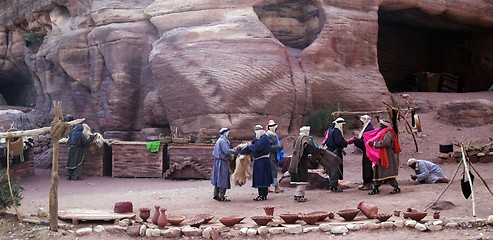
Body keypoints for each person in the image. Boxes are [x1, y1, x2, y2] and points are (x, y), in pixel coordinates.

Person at [365, 119, 402, 195]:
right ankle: (376, 188)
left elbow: (386, 143)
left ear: (384, 125)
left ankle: (396, 187)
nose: (379, 126)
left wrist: (375, 144)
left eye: (381, 124)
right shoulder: (382, 132)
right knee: (378, 171)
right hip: (381, 154)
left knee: (388, 172)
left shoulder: (388, 132)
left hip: (387, 155)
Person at [240, 125, 273, 201]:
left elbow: (255, 148)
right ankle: (261, 194)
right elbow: (251, 147)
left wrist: (249, 145)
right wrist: (242, 153)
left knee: (262, 178)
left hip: (263, 161)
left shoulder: (264, 138)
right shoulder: (259, 138)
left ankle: (262, 195)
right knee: (260, 177)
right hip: (259, 161)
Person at [347, 115, 375, 190]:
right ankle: (365, 182)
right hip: (367, 151)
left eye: (362, 121)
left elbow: (366, 142)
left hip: (368, 151)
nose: (361, 122)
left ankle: (368, 183)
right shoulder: (367, 127)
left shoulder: (369, 129)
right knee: (365, 166)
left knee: (367, 167)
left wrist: (355, 140)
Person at [289, 126, 316, 202]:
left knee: (299, 178)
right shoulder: (304, 139)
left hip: (296, 160)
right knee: (302, 178)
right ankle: (299, 195)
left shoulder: (297, 139)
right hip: (302, 160)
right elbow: (310, 149)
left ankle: (298, 194)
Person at [211, 128, 239, 201]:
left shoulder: (219, 140)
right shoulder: (223, 141)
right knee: (223, 178)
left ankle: (216, 195)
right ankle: (221, 196)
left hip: (217, 161)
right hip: (222, 162)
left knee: (217, 179)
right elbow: (227, 151)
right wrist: (236, 149)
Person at [323, 117, 347, 192]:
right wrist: (345, 143)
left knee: (331, 168)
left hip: (329, 151)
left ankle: (332, 184)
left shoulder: (330, 130)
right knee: (335, 169)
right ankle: (334, 186)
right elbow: (338, 142)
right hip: (335, 152)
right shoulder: (336, 131)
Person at [266, 120, 284, 193]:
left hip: (274, 156)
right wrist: (278, 147)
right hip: (270, 156)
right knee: (273, 171)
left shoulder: (273, 135)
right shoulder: (268, 136)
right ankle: (276, 187)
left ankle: (268, 187)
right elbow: (269, 147)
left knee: (272, 171)